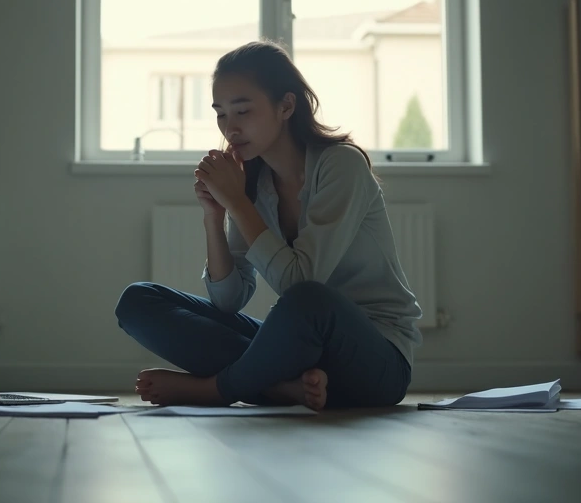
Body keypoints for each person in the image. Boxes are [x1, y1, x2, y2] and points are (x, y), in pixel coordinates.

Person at [114, 40, 423, 411]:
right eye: (221, 114)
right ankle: (282, 388)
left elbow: (299, 283)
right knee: (138, 300)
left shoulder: (342, 165)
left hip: (376, 359)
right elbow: (228, 301)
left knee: (308, 301)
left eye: (243, 111)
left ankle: (217, 389)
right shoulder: (253, 184)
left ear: (286, 106)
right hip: (303, 357)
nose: (230, 127)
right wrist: (215, 217)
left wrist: (238, 203)